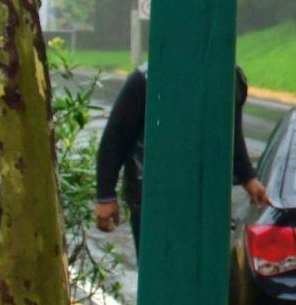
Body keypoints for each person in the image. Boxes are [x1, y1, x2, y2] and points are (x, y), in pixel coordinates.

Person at [94, 64, 269, 243]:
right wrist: (105, 196)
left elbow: (231, 132)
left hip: (207, 202)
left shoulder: (227, 77)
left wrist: (248, 177)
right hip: (154, 205)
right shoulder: (146, 80)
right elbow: (115, 138)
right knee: (158, 268)